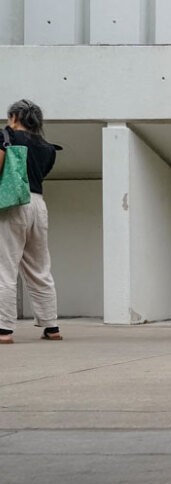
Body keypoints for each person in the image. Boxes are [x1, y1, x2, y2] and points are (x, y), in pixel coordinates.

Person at [0, 99, 62, 345]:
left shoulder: (7, 136)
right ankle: (51, 326)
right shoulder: (47, 147)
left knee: (5, 267)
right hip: (38, 204)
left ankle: (4, 329)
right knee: (39, 267)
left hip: (12, 204)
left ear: (15, 116)